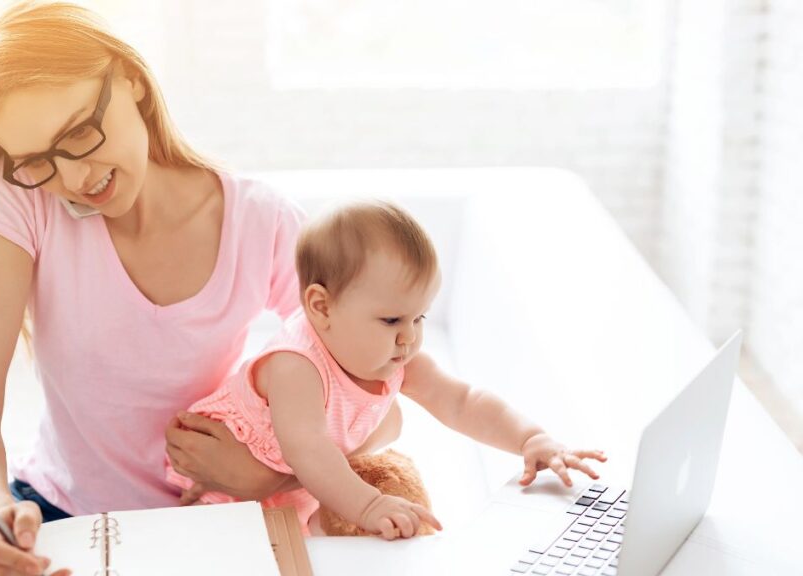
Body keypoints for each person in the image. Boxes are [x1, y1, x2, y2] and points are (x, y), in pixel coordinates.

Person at [0, 2, 404, 575]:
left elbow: (382, 405)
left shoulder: (261, 222)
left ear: (129, 77)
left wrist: (274, 476)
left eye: (79, 132)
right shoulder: (20, 203)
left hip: (211, 517)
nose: (74, 179)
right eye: (38, 161)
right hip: (56, 513)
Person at [165, 201, 608, 539]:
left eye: (420, 318)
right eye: (392, 320)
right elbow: (310, 451)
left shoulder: (395, 356)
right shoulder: (294, 366)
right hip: (221, 490)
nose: (409, 338)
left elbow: (462, 401)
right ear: (322, 307)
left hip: (301, 488)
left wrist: (530, 438)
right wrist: (370, 505)